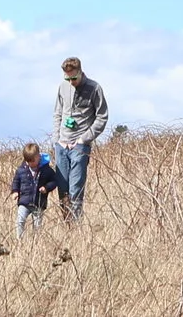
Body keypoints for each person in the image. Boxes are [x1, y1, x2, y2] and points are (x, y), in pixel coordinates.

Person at [51, 56, 108, 220]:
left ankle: (76, 228)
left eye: (73, 77)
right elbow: (57, 113)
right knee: (62, 190)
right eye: (67, 78)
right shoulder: (62, 87)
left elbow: (102, 117)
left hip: (80, 146)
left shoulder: (94, 88)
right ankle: (66, 226)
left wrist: (84, 139)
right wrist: (57, 139)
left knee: (75, 189)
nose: (71, 81)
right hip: (61, 145)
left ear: (81, 72)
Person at [9, 141, 61, 236]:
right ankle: (19, 240)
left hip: (39, 203)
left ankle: (36, 242)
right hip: (24, 202)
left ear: (39, 157)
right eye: (28, 161)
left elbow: (54, 181)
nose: (30, 163)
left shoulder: (47, 170)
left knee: (37, 226)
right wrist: (15, 191)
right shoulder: (21, 170)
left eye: (32, 161)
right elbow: (16, 181)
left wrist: (46, 188)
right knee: (20, 221)